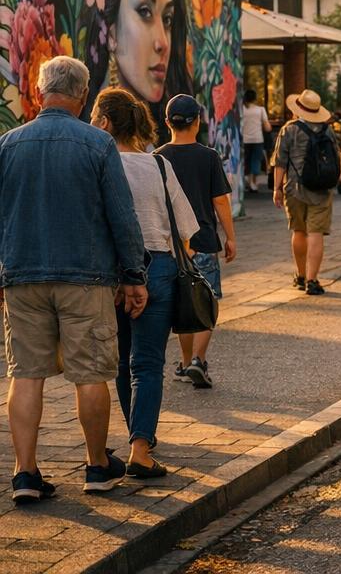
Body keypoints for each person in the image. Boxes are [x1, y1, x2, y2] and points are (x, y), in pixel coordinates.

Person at [1, 57, 146, 503]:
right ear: (83, 96)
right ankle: (97, 466)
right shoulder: (98, 144)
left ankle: (25, 474)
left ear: (40, 91)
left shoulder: (7, 144)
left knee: (25, 374)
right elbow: (121, 216)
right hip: (86, 277)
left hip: (22, 276)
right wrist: (135, 275)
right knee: (90, 374)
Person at [89, 87, 198, 480]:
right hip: (160, 267)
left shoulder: (98, 164)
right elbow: (186, 229)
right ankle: (140, 447)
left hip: (111, 273)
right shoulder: (159, 165)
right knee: (148, 363)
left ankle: (135, 433)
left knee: (120, 361)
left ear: (104, 121)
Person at [156, 94, 236, 390]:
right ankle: (198, 361)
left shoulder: (158, 158)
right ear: (198, 122)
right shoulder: (208, 156)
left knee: (182, 305)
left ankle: (185, 360)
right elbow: (221, 202)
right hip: (202, 240)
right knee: (206, 300)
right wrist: (230, 237)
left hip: (171, 245)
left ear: (167, 123)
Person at [84, 0, 193, 137]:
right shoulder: (92, 137)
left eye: (168, 19)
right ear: (111, 32)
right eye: (145, 11)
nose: (163, 43)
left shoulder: (159, 136)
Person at [272, 88, 340, 296]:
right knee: (316, 233)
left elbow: (280, 162)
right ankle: (313, 280)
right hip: (321, 189)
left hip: (294, 188)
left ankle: (301, 276)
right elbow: (336, 157)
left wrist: (276, 189)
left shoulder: (289, 129)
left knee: (299, 231)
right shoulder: (327, 131)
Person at [241, 89, 271, 193]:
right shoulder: (260, 110)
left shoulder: (242, 110)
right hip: (257, 139)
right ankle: (254, 183)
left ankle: (249, 182)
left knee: (246, 161)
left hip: (244, 140)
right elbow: (268, 128)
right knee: (256, 161)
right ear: (255, 98)